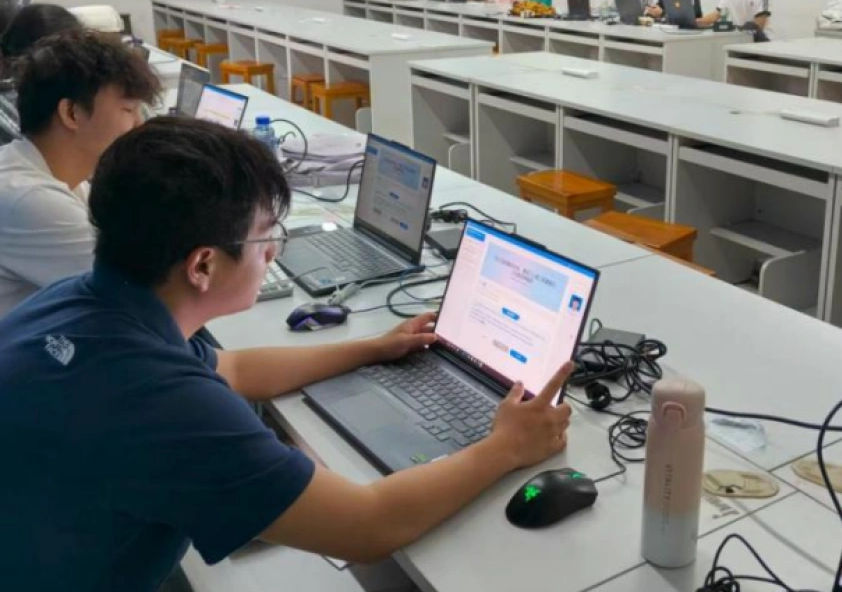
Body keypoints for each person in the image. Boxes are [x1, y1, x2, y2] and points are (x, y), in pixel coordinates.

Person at [0, 115, 574, 591]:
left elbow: (233, 368)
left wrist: (373, 348)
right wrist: (506, 446)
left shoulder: (84, 300)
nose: (273, 253)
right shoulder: (158, 399)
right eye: (265, 237)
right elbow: (367, 526)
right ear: (203, 264)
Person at [0, 31, 159, 316]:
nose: (139, 125)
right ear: (71, 113)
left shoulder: (53, 173)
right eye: (128, 109)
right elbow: (149, 293)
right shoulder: (30, 200)